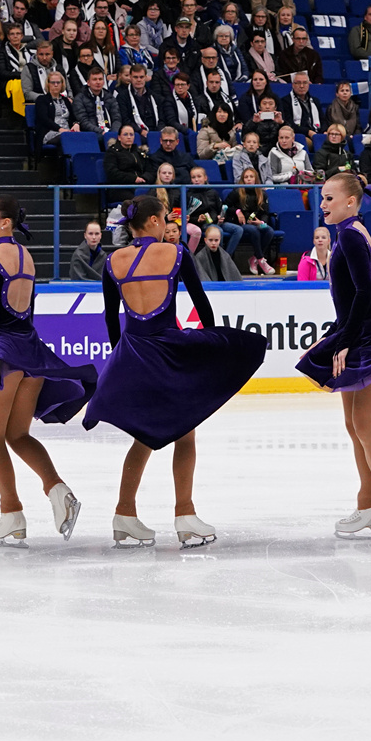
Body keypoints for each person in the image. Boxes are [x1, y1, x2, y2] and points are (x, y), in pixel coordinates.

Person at [82, 195, 268, 549]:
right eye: (166, 217)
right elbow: (201, 302)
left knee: (143, 436)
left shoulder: (113, 260)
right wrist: (211, 346)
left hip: (134, 353)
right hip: (168, 352)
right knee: (185, 434)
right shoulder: (176, 252)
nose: (170, 224)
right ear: (154, 221)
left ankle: (125, 514)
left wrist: (121, 358)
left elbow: (110, 318)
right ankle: (185, 514)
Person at [0, 194, 96, 546]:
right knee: (18, 435)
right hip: (31, 352)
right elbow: (29, 312)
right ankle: (58, 490)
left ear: (5, 222)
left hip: (2, 354)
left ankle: (11, 513)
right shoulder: (25, 255)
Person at [296, 173, 371, 540]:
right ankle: (368, 504)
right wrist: (333, 337)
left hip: (369, 338)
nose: (322, 204)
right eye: (322, 198)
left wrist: (343, 340)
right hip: (356, 332)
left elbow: (365, 293)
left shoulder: (350, 235)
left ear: (350, 201)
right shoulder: (348, 232)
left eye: (329, 198)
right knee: (353, 424)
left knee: (364, 425)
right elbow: (351, 299)